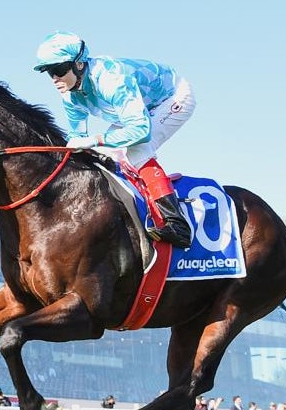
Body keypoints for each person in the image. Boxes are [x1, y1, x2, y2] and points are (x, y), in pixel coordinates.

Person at [34, 31, 196, 248]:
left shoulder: (111, 80)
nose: (55, 78)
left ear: (79, 65)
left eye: (59, 69)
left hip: (172, 97)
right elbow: (77, 137)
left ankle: (177, 224)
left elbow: (140, 131)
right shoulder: (69, 94)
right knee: (107, 153)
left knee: (137, 148)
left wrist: (95, 140)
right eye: (49, 72)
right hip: (134, 108)